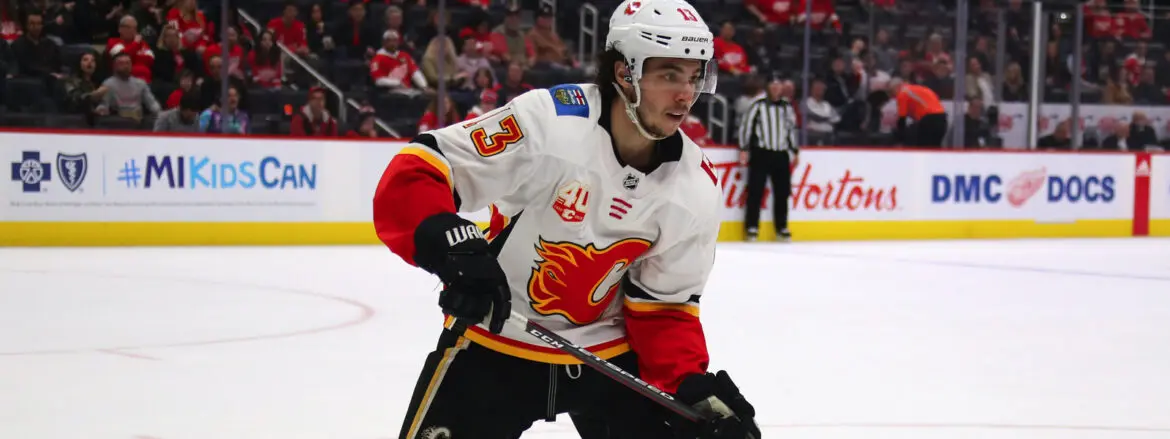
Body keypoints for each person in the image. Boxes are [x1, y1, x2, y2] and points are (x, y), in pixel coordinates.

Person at [371, 0, 760, 437]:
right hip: (496, 337)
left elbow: (665, 307)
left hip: (608, 359)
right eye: (668, 74)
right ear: (623, 73)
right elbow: (421, 168)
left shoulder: (696, 186)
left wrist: (690, 383)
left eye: (693, 76)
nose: (686, 94)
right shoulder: (549, 123)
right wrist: (449, 243)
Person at [738, 78, 798, 242]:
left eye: (778, 85)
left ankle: (782, 227)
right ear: (768, 87)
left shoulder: (787, 107)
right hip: (761, 153)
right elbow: (746, 126)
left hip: (781, 153)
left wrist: (795, 150)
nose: (776, 88)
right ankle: (752, 227)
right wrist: (744, 148)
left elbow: (792, 129)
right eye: (773, 85)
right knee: (755, 191)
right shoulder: (758, 105)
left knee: (783, 193)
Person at [888, 77, 948, 147]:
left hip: (928, 120)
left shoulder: (902, 93)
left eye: (892, 91)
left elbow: (902, 118)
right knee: (935, 147)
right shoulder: (921, 89)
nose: (894, 96)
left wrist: (900, 136)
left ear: (896, 87)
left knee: (924, 147)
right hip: (942, 118)